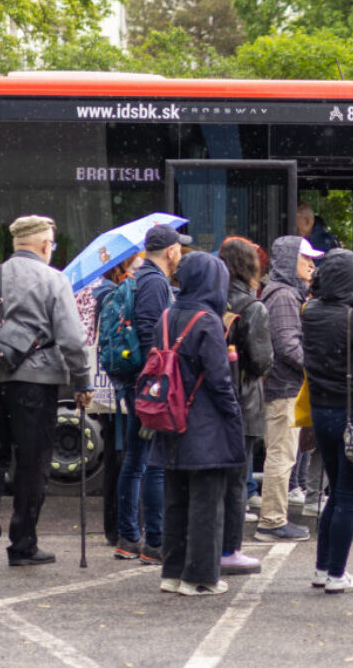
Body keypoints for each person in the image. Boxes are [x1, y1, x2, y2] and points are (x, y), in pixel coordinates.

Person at [0, 215, 94, 566]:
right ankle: (23, 544)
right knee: (32, 462)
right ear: (45, 245)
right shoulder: (54, 279)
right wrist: (82, 381)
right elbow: (72, 338)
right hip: (35, 383)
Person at [148, 252, 245, 595]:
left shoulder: (166, 315)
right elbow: (220, 381)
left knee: (175, 499)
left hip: (168, 419)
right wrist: (234, 417)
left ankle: (172, 573)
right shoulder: (208, 320)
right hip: (204, 423)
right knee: (207, 502)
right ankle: (200, 577)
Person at [302, 248, 353, 593]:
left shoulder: (310, 311)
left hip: (321, 411)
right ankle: (337, 573)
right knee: (348, 495)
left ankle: (323, 569)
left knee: (335, 491)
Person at [116, 225, 190, 563]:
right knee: (152, 464)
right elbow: (150, 331)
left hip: (138, 381)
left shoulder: (141, 277)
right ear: (171, 250)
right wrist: (155, 385)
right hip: (148, 384)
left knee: (136, 460)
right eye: (179, 248)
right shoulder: (155, 281)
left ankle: (129, 537)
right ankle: (154, 542)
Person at [255, 236, 320, 542]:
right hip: (283, 390)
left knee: (283, 455)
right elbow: (288, 346)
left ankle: (274, 517)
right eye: (304, 257)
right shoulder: (283, 296)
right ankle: (271, 521)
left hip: (284, 387)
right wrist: (318, 367)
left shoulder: (286, 293)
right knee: (282, 456)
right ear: (287, 260)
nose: (312, 263)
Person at [218, 237, 274, 575]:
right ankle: (230, 549)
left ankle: (210, 544)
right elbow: (263, 361)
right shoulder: (253, 307)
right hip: (246, 402)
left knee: (215, 479)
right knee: (238, 481)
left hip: (215, 400)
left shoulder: (213, 299)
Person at [91, 253, 140, 546]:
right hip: (120, 384)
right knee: (124, 457)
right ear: (121, 267)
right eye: (135, 266)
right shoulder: (116, 295)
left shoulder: (100, 292)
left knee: (117, 456)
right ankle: (122, 526)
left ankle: (115, 525)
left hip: (108, 382)